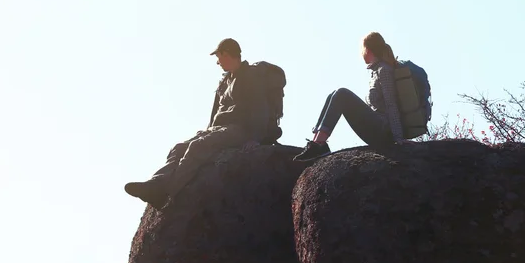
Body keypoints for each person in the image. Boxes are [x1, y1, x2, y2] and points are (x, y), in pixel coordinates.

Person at [124, 38, 270, 210]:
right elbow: (215, 115)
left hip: (239, 130)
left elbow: (261, 108)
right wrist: (208, 131)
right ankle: (156, 183)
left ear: (227, 54)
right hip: (219, 129)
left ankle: (167, 193)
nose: (217, 62)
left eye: (219, 56)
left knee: (197, 147)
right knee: (179, 148)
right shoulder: (224, 82)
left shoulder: (249, 76)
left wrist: (255, 138)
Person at [293, 32, 404, 162]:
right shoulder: (376, 71)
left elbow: (391, 104)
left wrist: (398, 138)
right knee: (333, 95)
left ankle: (319, 145)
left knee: (342, 94)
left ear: (367, 50)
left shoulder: (384, 70)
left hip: (384, 132)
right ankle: (317, 143)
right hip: (377, 128)